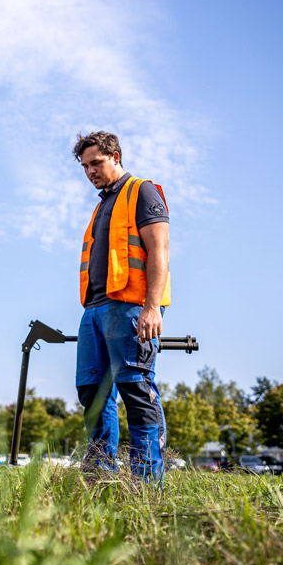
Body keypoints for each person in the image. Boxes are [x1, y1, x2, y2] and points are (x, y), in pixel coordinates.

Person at [72, 131, 171, 482]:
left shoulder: (142, 191)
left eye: (96, 163)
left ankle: (146, 485)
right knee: (92, 392)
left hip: (130, 306)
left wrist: (152, 307)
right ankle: (100, 478)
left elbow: (159, 250)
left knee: (135, 386)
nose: (90, 172)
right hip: (95, 309)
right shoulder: (103, 205)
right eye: (85, 166)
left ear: (116, 157)